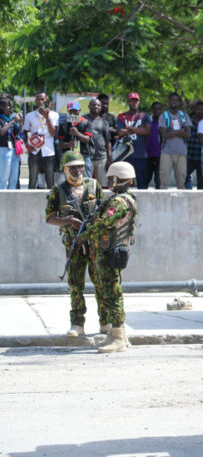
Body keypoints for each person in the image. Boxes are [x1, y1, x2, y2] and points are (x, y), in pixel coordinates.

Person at [45, 151, 108, 338]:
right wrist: (70, 220)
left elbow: (105, 208)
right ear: (65, 169)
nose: (78, 170)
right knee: (76, 284)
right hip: (74, 245)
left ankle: (105, 322)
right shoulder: (58, 191)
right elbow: (49, 217)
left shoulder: (93, 185)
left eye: (80, 166)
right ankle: (77, 323)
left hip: (94, 244)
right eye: (73, 167)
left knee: (100, 282)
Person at [80, 161, 138, 353]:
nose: (109, 181)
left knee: (112, 294)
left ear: (117, 179)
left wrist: (84, 235)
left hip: (109, 253)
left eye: (111, 178)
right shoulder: (119, 199)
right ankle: (116, 334)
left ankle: (119, 336)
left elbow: (104, 223)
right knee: (108, 292)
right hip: (107, 252)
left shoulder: (119, 202)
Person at [23, 92, 59, 189]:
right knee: (33, 180)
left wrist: (47, 118)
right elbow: (25, 132)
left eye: (42, 99)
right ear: (36, 101)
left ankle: (52, 202)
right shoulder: (29, 116)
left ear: (46, 100)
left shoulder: (54, 115)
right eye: (38, 99)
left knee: (50, 180)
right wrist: (27, 146)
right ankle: (29, 201)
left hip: (48, 151)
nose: (41, 102)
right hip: (34, 150)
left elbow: (53, 133)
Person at [117, 92, 151, 189]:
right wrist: (139, 129)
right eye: (132, 101)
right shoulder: (121, 116)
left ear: (139, 102)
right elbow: (120, 132)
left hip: (140, 153)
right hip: (125, 154)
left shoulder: (144, 116)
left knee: (142, 182)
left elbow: (147, 131)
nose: (134, 103)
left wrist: (130, 128)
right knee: (124, 181)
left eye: (135, 101)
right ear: (128, 102)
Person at [158, 93, 191, 189]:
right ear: (169, 101)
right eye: (172, 100)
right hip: (166, 152)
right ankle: (163, 203)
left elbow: (188, 134)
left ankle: (181, 203)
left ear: (179, 102)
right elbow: (164, 134)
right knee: (163, 182)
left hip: (182, 152)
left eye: (176, 100)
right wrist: (181, 130)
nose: (174, 102)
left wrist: (171, 131)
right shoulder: (164, 116)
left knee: (181, 182)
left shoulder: (184, 116)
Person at [58, 101, 94, 178]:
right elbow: (60, 144)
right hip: (69, 156)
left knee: (86, 178)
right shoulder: (64, 124)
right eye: (71, 111)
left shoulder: (86, 122)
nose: (73, 113)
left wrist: (77, 133)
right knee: (69, 178)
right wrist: (68, 144)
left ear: (79, 110)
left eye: (75, 111)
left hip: (84, 155)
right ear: (68, 111)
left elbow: (87, 139)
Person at [85, 98, 112, 188]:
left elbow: (108, 141)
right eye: (93, 104)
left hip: (101, 157)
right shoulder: (83, 119)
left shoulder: (104, 122)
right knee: (87, 186)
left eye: (98, 105)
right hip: (87, 157)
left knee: (103, 185)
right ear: (89, 106)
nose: (95, 106)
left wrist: (109, 159)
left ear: (100, 108)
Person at [0, 97, 22, 189]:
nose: (11, 110)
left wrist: (20, 122)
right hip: (4, 150)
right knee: (3, 179)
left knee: (14, 179)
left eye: (12, 108)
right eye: (9, 108)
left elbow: (17, 133)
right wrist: (12, 121)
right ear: (1, 107)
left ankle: (11, 201)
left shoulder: (10, 119)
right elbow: (2, 132)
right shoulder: (2, 120)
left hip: (14, 150)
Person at [185, 101, 203, 189]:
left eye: (202, 109)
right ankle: (188, 194)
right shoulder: (188, 120)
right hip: (189, 154)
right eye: (198, 109)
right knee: (184, 176)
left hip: (201, 156)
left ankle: (200, 201)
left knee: (201, 181)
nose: (200, 111)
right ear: (195, 109)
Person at [145, 102, 163, 188]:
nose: (156, 111)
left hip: (160, 156)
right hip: (148, 156)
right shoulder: (148, 123)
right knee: (145, 179)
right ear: (152, 110)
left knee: (158, 180)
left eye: (159, 108)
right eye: (155, 109)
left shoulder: (164, 124)